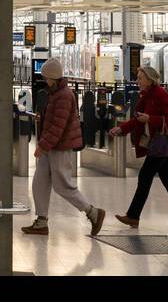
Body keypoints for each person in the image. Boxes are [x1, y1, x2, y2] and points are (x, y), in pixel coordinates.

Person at [21, 58, 106, 237]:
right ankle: (41, 221)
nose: (44, 79)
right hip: (51, 145)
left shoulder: (64, 96)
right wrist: (41, 118)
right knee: (40, 182)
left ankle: (93, 212)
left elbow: (58, 128)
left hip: (59, 147)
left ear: (52, 77)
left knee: (62, 185)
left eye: (45, 76)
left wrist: (42, 146)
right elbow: (54, 121)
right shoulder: (55, 93)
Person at [109, 65, 168, 228]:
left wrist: (150, 119)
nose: (137, 81)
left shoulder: (161, 94)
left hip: (162, 143)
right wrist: (122, 128)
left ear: (149, 79)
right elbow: (136, 118)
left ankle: (133, 216)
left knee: (145, 176)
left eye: (140, 78)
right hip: (157, 143)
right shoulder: (145, 96)